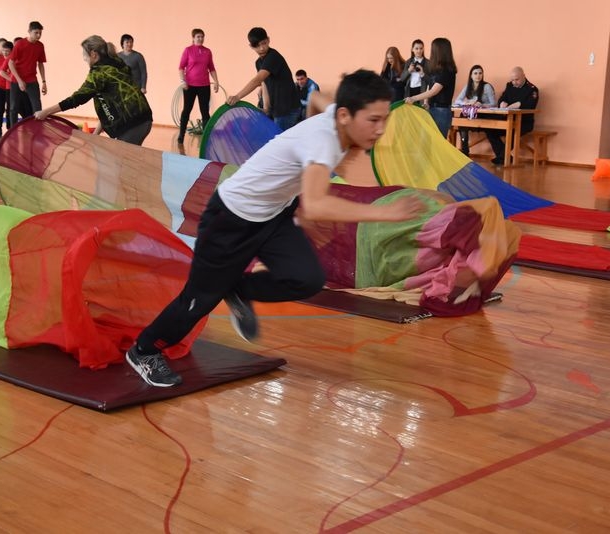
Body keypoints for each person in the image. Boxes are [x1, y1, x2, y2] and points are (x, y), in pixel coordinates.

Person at [126, 69, 425, 387]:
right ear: (344, 115)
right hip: (230, 218)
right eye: (373, 120)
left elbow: (317, 98)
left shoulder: (336, 117)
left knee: (306, 278)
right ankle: (143, 350)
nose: (380, 129)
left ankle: (238, 288)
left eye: (384, 119)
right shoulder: (323, 141)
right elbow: (316, 204)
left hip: (274, 215)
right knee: (199, 300)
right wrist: (385, 213)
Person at [34, 35, 153, 146]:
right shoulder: (115, 64)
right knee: (124, 158)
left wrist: (46, 112)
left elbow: (77, 98)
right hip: (142, 118)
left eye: (84, 54)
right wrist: (95, 134)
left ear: (93, 54)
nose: (84, 58)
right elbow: (108, 106)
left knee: (122, 159)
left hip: (133, 123)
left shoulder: (99, 73)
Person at [227, 27, 301, 131]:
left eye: (264, 43)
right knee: (275, 137)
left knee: (279, 139)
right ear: (251, 46)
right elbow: (264, 84)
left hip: (288, 109)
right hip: (277, 110)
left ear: (268, 40)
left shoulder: (273, 57)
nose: (261, 48)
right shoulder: (258, 63)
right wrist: (266, 108)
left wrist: (237, 96)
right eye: (257, 45)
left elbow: (257, 80)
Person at [404, 37, 457, 138]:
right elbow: (430, 85)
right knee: (428, 140)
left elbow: (434, 91)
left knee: (438, 141)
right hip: (433, 108)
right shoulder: (437, 69)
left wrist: (413, 98)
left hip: (441, 110)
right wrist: (426, 102)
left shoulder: (446, 70)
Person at [485, 66, 539, 165]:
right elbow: (502, 98)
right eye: (512, 80)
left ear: (524, 76)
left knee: (513, 131)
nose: (514, 82)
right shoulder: (509, 86)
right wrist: (502, 103)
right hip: (507, 119)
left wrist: (519, 104)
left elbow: (530, 106)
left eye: (517, 79)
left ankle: (502, 157)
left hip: (524, 122)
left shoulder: (532, 89)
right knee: (490, 129)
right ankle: (504, 156)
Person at [177, 28, 219, 143]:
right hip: (190, 86)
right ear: (193, 38)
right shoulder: (188, 50)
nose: (200, 39)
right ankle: (181, 135)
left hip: (204, 86)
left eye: (202, 37)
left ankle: (207, 139)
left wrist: (216, 81)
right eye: (198, 37)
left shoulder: (207, 51)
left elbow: (212, 68)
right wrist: (183, 81)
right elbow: (181, 67)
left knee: (205, 111)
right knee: (187, 110)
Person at [7, 21, 47, 127]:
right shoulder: (20, 44)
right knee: (13, 107)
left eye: (40, 33)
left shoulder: (40, 46)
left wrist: (44, 82)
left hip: (32, 80)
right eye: (36, 33)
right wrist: (19, 80)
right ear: (29, 31)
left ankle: (38, 129)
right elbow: (10, 63)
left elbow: (41, 64)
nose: (38, 35)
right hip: (16, 80)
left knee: (37, 106)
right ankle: (13, 130)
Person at [453, 64, 497, 156]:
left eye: (480, 73)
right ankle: (464, 150)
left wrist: (482, 105)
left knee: (465, 119)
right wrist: (466, 103)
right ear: (471, 76)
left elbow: (494, 104)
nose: (478, 75)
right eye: (475, 73)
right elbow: (457, 101)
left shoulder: (487, 86)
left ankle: (465, 150)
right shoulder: (468, 86)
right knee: (462, 118)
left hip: (483, 115)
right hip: (471, 113)